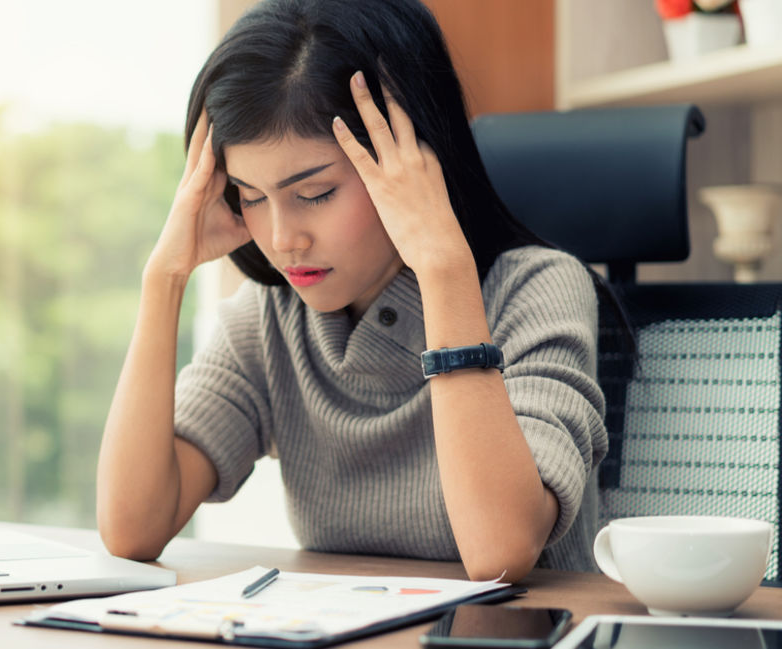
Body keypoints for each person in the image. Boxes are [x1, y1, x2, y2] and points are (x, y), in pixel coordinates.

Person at [96, 0, 608, 582]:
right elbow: (132, 528)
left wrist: (442, 267)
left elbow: (500, 552)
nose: (284, 239)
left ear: (412, 160)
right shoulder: (272, 319)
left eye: (314, 193)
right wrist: (163, 280)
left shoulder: (536, 291)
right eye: (250, 195)